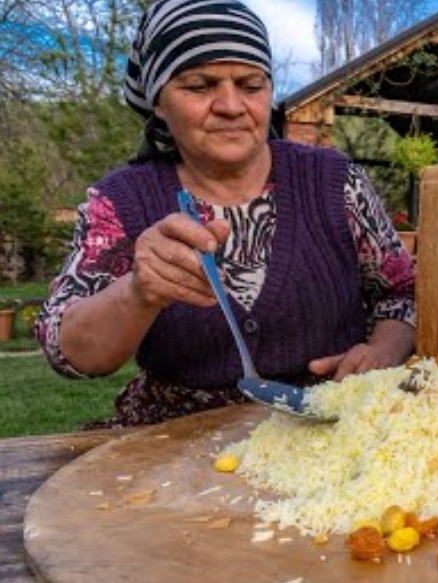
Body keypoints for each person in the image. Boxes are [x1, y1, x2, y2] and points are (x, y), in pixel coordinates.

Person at [34, 0, 416, 428]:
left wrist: (386, 348)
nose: (231, 105)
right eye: (200, 85)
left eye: (251, 85)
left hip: (328, 427)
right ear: (158, 100)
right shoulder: (121, 201)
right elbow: (66, 352)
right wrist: (138, 293)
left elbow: (402, 293)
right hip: (172, 447)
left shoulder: (334, 181)